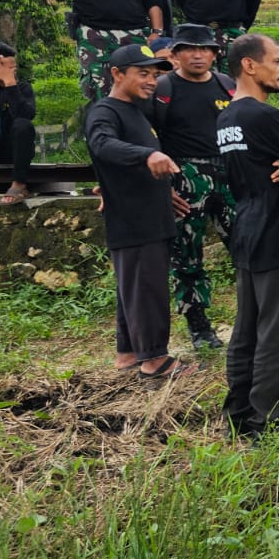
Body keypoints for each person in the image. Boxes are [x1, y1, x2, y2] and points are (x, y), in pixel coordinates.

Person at [215, 33, 279, 441]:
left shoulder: (226, 120)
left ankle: (238, 413)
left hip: (247, 227)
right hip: (278, 230)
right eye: (276, 60)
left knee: (247, 329)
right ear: (249, 65)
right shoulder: (264, 116)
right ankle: (266, 419)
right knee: (277, 331)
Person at [86, 45, 194, 387]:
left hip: (148, 212)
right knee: (146, 288)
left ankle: (129, 353)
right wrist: (147, 155)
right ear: (117, 74)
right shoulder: (105, 112)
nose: (151, 81)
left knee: (133, 287)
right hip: (134, 218)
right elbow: (102, 145)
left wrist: (164, 191)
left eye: (155, 74)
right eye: (143, 73)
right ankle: (155, 361)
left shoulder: (136, 111)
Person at [151, 23, 237, 350]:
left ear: (215, 54)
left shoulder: (227, 85)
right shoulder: (162, 89)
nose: (197, 55)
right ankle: (199, 326)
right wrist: (164, 189)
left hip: (228, 174)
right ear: (176, 55)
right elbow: (147, 139)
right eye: (189, 49)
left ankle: (266, 310)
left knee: (249, 246)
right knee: (187, 256)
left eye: (204, 49)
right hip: (184, 177)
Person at [0, 42, 36, 205]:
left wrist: (9, 84)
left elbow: (26, 115)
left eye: (14, 68)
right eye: (8, 68)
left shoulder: (22, 88)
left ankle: (19, 184)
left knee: (22, 125)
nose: (13, 71)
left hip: (10, 152)